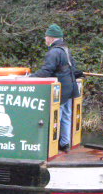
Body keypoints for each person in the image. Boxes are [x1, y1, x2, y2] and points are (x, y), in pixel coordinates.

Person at [32, 24, 82, 152]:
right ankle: (65, 144)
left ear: (51, 38)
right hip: (71, 87)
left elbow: (46, 71)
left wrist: (31, 77)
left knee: (56, 117)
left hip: (61, 90)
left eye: (46, 37)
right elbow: (74, 68)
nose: (45, 39)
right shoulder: (66, 49)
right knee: (66, 116)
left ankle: (52, 146)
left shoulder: (54, 52)